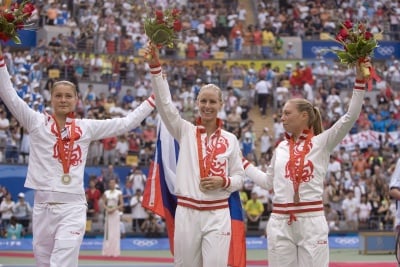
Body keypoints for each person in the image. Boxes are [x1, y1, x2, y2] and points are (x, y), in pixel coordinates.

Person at [0, 46, 155, 267]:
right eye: (58, 96)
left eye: (68, 96)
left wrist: (152, 100)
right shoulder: (36, 122)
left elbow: (125, 123)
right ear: (51, 99)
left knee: (60, 264)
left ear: (76, 100)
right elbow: (9, 95)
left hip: (72, 208)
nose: (63, 100)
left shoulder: (86, 127)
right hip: (42, 207)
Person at [242, 60, 369, 267]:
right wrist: (244, 164)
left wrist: (360, 81)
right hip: (280, 221)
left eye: (286, 113)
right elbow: (267, 182)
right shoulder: (280, 147)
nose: (281, 117)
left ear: (303, 116)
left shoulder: (321, 143)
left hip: (311, 220)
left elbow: (350, 116)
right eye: (282, 113)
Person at [145, 43, 245, 267]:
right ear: (197, 103)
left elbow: (240, 179)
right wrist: (155, 68)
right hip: (187, 213)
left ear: (221, 104)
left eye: (212, 101)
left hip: (218, 214)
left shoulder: (230, 139)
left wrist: (224, 181)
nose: (207, 106)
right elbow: (165, 105)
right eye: (203, 101)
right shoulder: (185, 131)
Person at [102, 178, 123, 257]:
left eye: (113, 183)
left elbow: (121, 204)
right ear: (109, 184)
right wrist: (107, 209)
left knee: (115, 232)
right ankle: (107, 251)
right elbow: (103, 203)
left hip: (115, 213)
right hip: (108, 213)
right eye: (110, 183)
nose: (112, 184)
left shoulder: (119, 193)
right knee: (108, 232)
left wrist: (114, 209)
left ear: (115, 184)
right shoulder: (106, 193)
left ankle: (115, 252)